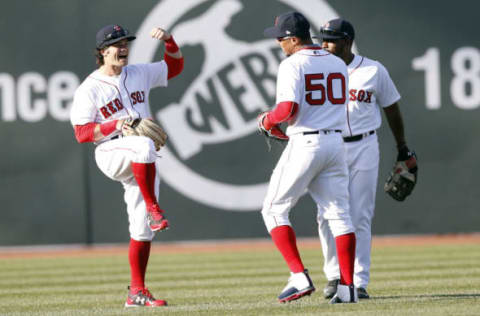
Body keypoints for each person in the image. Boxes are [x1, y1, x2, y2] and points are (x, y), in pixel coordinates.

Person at [70, 24, 184, 307]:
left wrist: (170, 41)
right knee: (143, 144)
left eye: (125, 43)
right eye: (116, 44)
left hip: (141, 160)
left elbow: (174, 68)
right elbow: (83, 134)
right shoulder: (89, 88)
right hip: (111, 151)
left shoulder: (138, 73)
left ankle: (137, 292)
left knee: (142, 229)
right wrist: (116, 123)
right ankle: (155, 209)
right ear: (102, 52)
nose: (123, 48)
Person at [259, 12, 358, 304]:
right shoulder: (338, 63)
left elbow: (287, 109)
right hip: (336, 143)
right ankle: (348, 288)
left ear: (292, 38)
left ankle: (299, 276)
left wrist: (266, 120)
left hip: (306, 140)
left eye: (280, 38)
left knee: (273, 209)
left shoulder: (292, 64)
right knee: (340, 216)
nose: (278, 42)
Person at [318, 18, 416, 299]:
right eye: (322, 38)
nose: (324, 44)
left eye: (331, 39)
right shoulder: (317, 70)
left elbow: (392, 109)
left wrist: (402, 147)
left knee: (360, 214)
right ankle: (335, 276)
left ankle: (358, 280)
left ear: (347, 42)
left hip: (364, 145)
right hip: (329, 144)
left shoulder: (373, 69)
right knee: (326, 214)